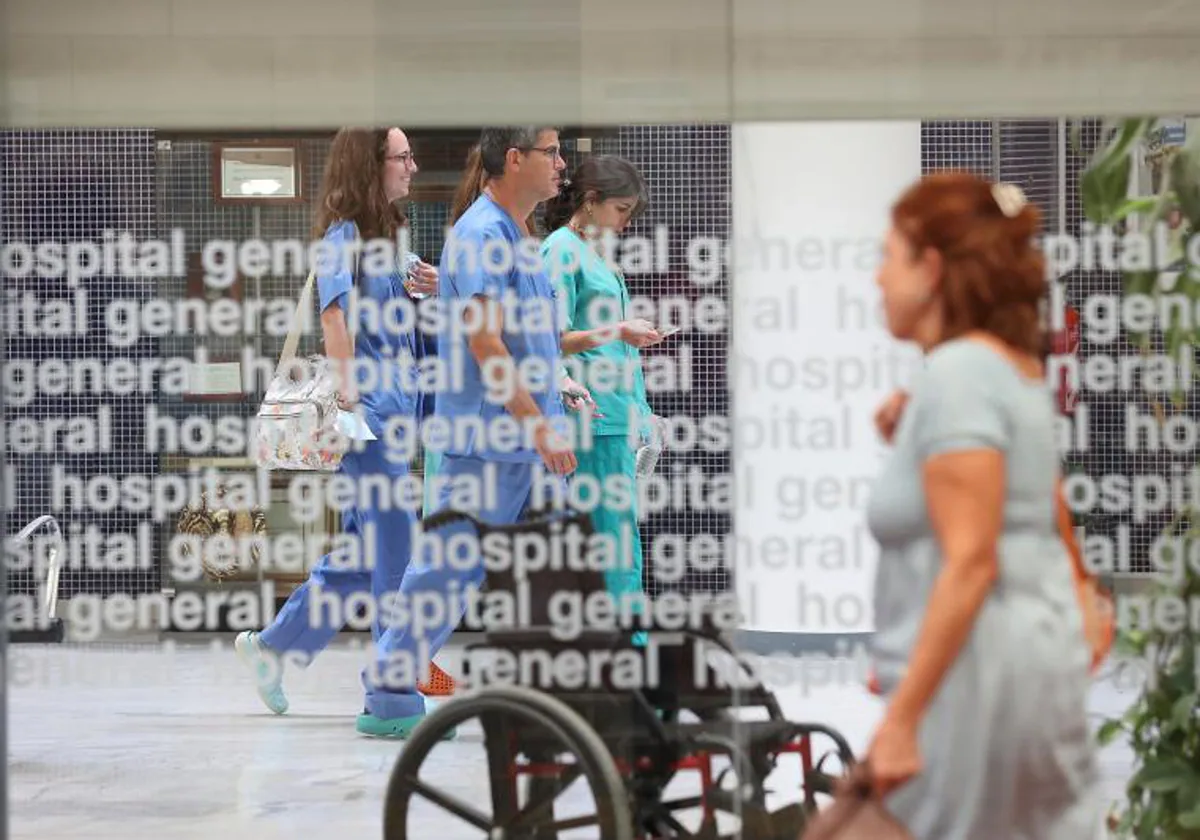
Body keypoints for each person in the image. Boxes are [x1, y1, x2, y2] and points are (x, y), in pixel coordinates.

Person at [863, 172, 1103, 838]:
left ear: (932, 268)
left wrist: (902, 717)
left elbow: (970, 562)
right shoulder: (993, 365)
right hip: (1011, 676)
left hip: (980, 684)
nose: (878, 279)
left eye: (888, 257)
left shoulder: (959, 376)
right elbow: (1034, 509)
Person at [356, 126, 575, 738]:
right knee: (446, 570)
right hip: (488, 439)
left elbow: (532, 339)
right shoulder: (482, 233)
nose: (562, 164)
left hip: (522, 438)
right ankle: (389, 691)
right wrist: (538, 426)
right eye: (551, 152)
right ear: (514, 159)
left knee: (523, 566)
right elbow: (484, 342)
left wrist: (555, 399)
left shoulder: (518, 236)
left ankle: (558, 691)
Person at [235, 126, 436, 716]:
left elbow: (402, 318)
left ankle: (274, 646)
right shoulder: (340, 237)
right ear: (369, 166)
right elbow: (334, 324)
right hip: (365, 417)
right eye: (402, 157)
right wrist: (350, 412)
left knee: (363, 557)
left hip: (393, 415)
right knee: (397, 547)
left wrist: (427, 284)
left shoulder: (391, 238)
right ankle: (395, 686)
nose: (413, 166)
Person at [540, 155, 663, 645]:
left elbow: (611, 347)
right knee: (611, 545)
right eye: (620, 209)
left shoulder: (593, 253)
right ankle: (625, 663)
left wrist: (644, 414)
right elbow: (549, 338)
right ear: (589, 202)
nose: (625, 222)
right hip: (589, 419)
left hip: (615, 416)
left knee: (616, 541)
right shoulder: (560, 251)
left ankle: (621, 659)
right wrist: (619, 329)